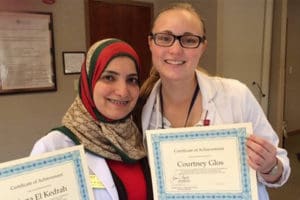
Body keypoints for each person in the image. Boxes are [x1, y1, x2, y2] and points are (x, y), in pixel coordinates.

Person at [138, 2, 290, 200]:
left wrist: (270, 166)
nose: (175, 50)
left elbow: (280, 168)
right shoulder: (140, 108)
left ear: (202, 47)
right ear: (151, 43)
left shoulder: (236, 95)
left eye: (189, 40)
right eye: (165, 38)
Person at [31, 38, 153, 200]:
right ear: (89, 82)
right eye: (109, 77)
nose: (123, 91)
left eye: (132, 80)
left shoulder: (139, 138)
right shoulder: (54, 148)